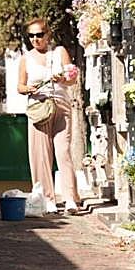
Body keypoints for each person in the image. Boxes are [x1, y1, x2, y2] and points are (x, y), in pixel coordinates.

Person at [16, 18, 86, 214]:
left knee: (63, 152)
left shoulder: (59, 52)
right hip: (39, 107)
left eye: (39, 34)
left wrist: (63, 78)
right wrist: (28, 88)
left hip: (61, 105)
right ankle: (47, 199)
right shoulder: (26, 58)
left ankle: (70, 198)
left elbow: (72, 80)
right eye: (31, 35)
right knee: (41, 155)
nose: (36, 39)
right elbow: (19, 86)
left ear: (48, 35)